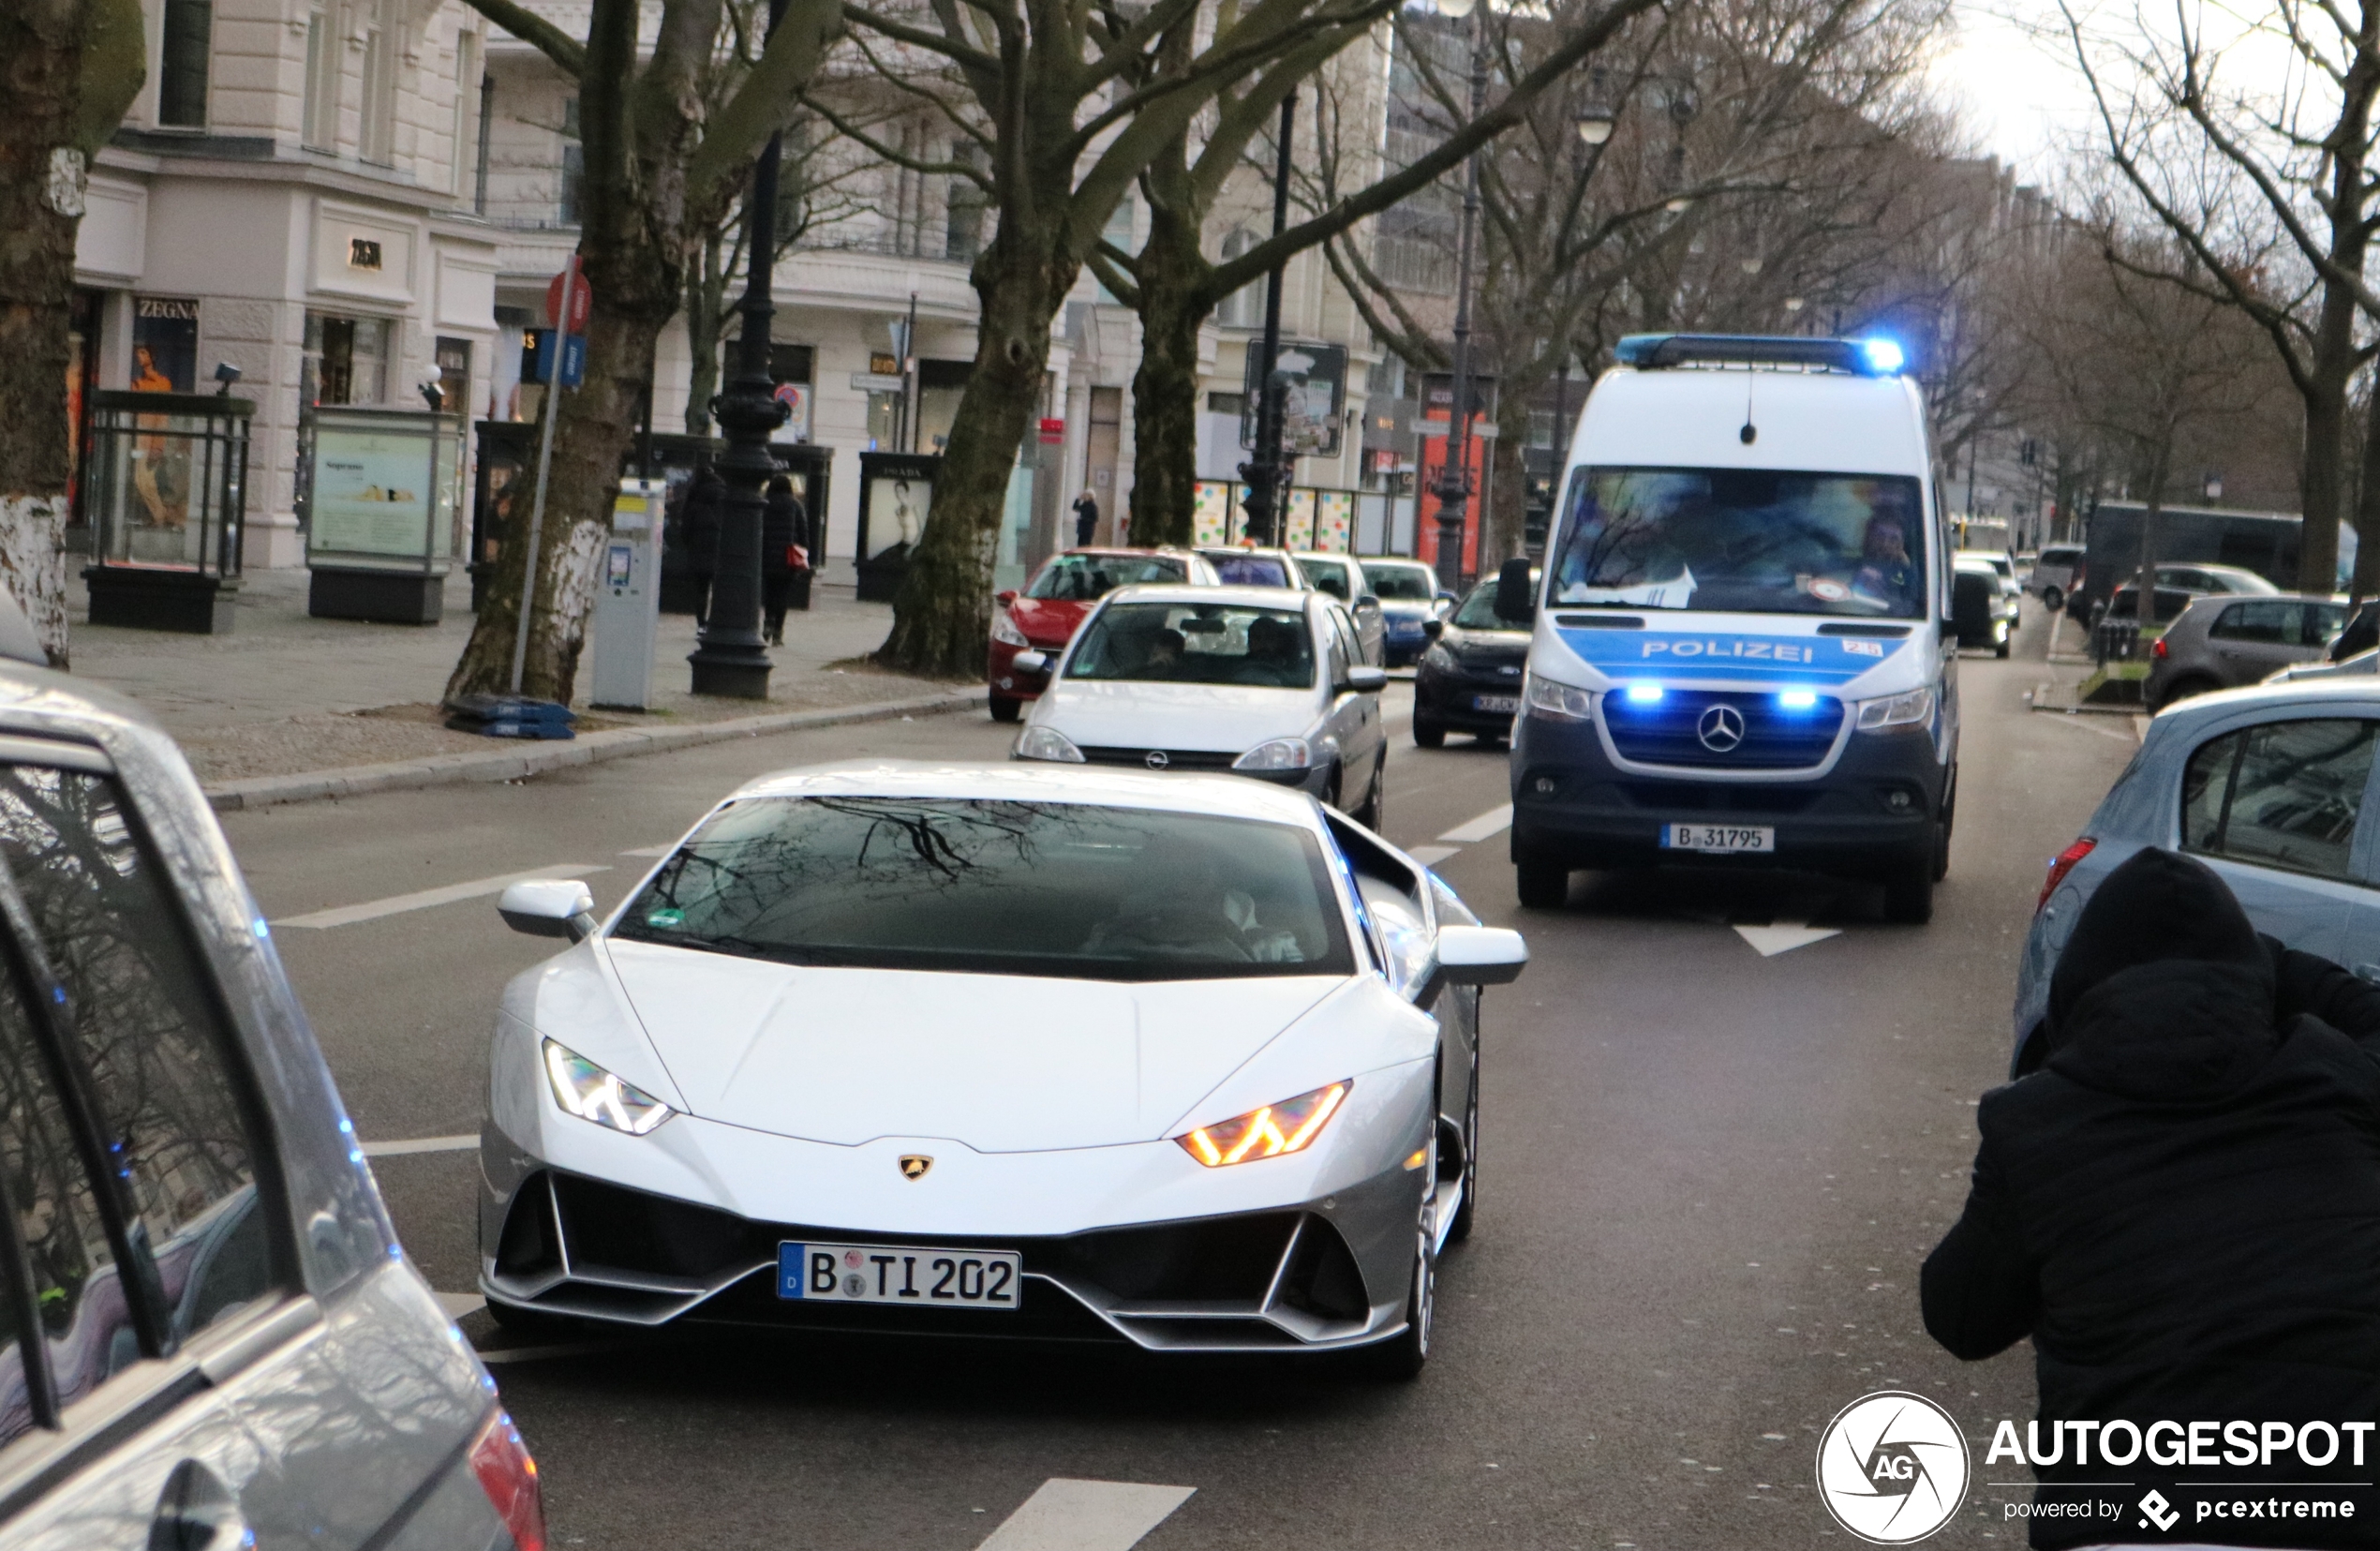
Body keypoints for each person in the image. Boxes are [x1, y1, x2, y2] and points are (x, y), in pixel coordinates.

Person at [1923, 847, 2380, 1550]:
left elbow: (1960, 1316)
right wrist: (2268, 961)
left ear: (2079, 993)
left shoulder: (2037, 1121)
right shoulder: (2335, 1077)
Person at [761, 473, 808, 646]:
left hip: (767, 557)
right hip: (788, 559)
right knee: (783, 594)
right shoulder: (795, 505)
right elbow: (803, 532)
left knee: (769, 592)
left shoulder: (765, 503)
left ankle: (768, 621)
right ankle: (778, 632)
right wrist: (803, 550)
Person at [679, 466, 725, 627]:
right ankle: (717, 621)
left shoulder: (694, 500)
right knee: (720, 588)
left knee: (701, 589)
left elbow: (685, 529)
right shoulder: (723, 496)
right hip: (720, 549)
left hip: (698, 549)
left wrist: (689, 544)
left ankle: (701, 623)